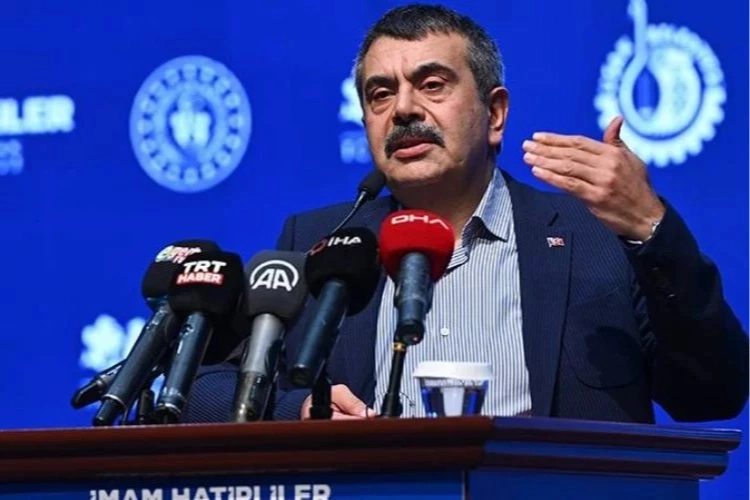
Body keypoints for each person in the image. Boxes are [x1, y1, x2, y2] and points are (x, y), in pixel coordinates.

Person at [183, 4, 748, 424]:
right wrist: (300, 409)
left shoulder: (596, 237)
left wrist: (649, 226)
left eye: (432, 85)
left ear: (495, 114)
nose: (404, 109)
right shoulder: (323, 242)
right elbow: (200, 389)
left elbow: (714, 392)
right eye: (380, 94)